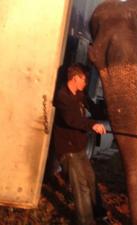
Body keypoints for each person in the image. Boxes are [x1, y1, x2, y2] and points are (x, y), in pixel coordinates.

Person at [52, 63, 107, 225]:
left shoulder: (79, 95)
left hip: (79, 148)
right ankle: (86, 221)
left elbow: (94, 109)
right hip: (68, 151)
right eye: (84, 79)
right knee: (81, 186)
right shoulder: (62, 97)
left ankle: (100, 215)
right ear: (75, 78)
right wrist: (93, 125)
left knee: (90, 179)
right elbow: (72, 120)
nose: (86, 82)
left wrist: (106, 113)